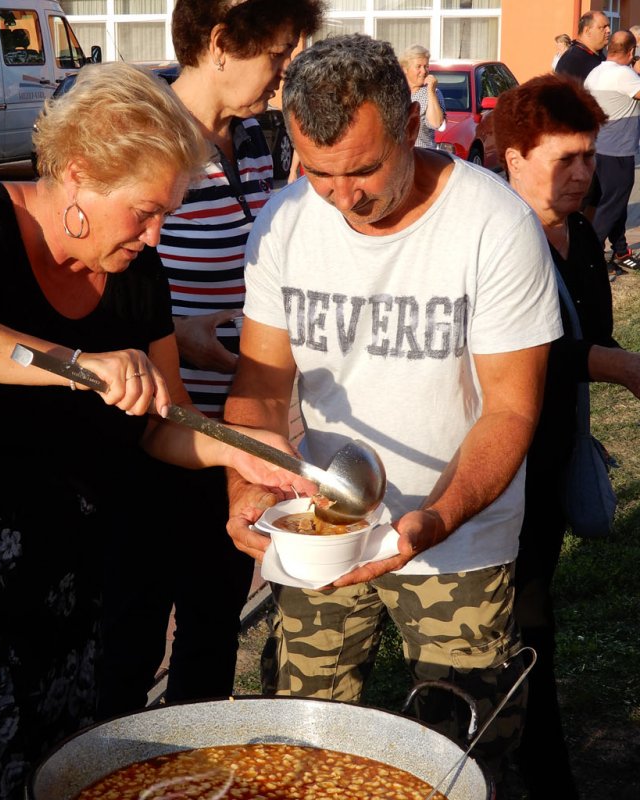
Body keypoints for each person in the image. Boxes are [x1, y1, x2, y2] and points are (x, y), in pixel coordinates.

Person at [0, 62, 316, 800]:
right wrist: (76, 365)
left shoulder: (137, 273)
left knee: (57, 771)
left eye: (167, 210)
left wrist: (248, 454)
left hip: (63, 581)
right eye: (143, 210)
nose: (156, 231)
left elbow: (160, 424)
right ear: (77, 176)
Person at [222, 33, 563, 787]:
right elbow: (263, 380)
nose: (346, 197)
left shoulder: (494, 226)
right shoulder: (282, 224)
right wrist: (244, 487)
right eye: (319, 173)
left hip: (457, 540)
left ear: (411, 125)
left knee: (462, 753)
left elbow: (510, 410)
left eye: (365, 169)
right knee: (306, 740)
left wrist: (433, 520)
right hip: (322, 526)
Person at [96, 0, 325, 718]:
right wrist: (177, 330)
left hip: (233, 428)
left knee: (213, 621)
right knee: (128, 634)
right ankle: (119, 764)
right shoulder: (143, 131)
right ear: (222, 43)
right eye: (277, 55)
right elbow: (100, 277)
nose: (283, 74)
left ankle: (198, 768)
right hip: (154, 426)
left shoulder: (254, 137)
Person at [494, 71, 640, 800]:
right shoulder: (492, 236)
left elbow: (589, 334)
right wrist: (618, 365)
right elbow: (521, 350)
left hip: (546, 464)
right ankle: (538, 774)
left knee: (532, 623)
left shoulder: (579, 233)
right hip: (493, 472)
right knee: (517, 631)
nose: (584, 173)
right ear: (515, 156)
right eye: (566, 159)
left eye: (589, 156)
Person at [584, 30, 640, 278]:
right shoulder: (624, 75)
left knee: (612, 204)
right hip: (618, 153)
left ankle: (621, 251)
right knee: (611, 207)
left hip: (598, 149)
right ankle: (590, 260)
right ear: (631, 52)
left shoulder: (596, 72)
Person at [399, 44, 446, 149]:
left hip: (422, 155)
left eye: (426, 66)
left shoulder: (434, 93)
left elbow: (436, 123)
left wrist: (431, 91)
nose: (424, 71)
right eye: (418, 66)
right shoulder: (396, 92)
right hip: (397, 156)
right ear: (405, 69)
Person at [555, 9, 610, 81]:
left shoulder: (598, 55)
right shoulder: (573, 60)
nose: (608, 30)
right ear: (587, 31)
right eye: (603, 27)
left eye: (608, 26)